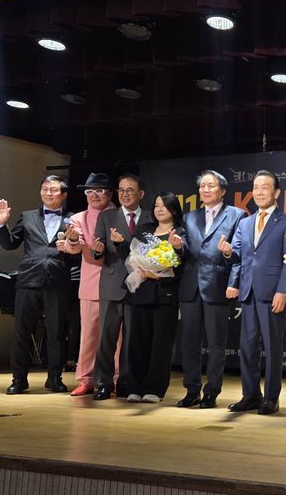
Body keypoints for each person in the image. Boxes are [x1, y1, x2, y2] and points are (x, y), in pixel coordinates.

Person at [218, 170, 286, 415]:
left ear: (276, 192)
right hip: (249, 291)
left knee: (273, 348)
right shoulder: (245, 222)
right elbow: (238, 256)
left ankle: (271, 398)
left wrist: (283, 291)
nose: (259, 192)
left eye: (265, 187)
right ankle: (250, 395)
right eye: (256, 187)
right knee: (247, 346)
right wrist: (228, 252)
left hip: (272, 293)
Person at [0, 175, 77, 394]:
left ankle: (55, 378)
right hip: (28, 280)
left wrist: (73, 243)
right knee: (21, 332)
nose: (48, 193)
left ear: (64, 194)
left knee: (56, 332)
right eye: (45, 189)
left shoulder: (73, 219)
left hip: (57, 281)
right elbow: (10, 244)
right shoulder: (28, 216)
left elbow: (78, 256)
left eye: (54, 190)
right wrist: (1, 224)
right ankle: (19, 379)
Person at [177, 170, 245, 409]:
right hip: (190, 287)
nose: (205, 190)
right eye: (202, 186)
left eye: (211, 186)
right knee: (189, 343)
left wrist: (233, 281)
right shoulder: (189, 217)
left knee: (216, 344)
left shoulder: (236, 215)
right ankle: (191, 390)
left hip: (217, 285)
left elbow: (239, 255)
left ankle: (212, 392)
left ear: (223, 190)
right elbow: (185, 251)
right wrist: (177, 246)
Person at [116, 192, 185, 403]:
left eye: (164, 205)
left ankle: (154, 388)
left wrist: (160, 272)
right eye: (156, 205)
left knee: (161, 344)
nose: (159, 209)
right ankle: (135, 387)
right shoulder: (144, 229)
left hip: (165, 294)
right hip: (141, 292)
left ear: (174, 209)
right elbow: (131, 256)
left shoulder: (180, 232)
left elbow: (183, 262)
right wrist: (120, 244)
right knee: (137, 342)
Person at [91, 173, 151, 400]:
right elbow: (98, 250)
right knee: (106, 338)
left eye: (130, 190)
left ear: (141, 194)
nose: (125, 194)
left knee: (132, 339)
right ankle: (103, 383)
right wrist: (97, 249)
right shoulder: (106, 217)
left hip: (140, 284)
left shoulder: (150, 217)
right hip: (112, 283)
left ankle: (126, 382)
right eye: (121, 190)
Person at [62, 173, 119, 397]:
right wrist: (72, 240)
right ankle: (86, 379)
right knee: (89, 335)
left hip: (117, 282)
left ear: (110, 194)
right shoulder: (78, 218)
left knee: (117, 336)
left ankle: (116, 378)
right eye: (90, 191)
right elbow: (75, 247)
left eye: (100, 191)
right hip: (91, 282)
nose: (94, 195)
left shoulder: (120, 216)